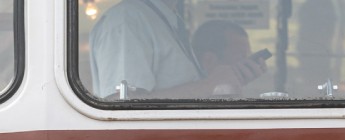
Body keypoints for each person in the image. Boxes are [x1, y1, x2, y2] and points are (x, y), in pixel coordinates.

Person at [88, 0, 267, 99]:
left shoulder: (167, 21)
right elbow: (121, 106)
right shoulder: (128, 19)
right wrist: (210, 85)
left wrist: (225, 83)